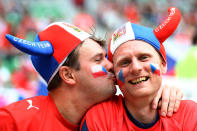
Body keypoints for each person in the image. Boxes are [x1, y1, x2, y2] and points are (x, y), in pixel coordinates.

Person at [0, 22, 182, 130]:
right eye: (98, 60)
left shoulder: (110, 112)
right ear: (68, 75)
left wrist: (162, 94)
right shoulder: (14, 121)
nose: (111, 65)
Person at [80, 7, 197, 130]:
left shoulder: (189, 115)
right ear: (114, 74)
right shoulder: (100, 117)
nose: (135, 68)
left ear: (163, 64)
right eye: (125, 62)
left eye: (143, 57)